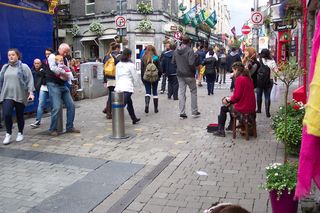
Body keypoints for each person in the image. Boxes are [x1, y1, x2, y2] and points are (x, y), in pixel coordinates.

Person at [0, 49, 34, 144]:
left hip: (20, 94)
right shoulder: (5, 67)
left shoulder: (23, 67)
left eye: (13, 55)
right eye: (9, 55)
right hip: (7, 95)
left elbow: (29, 80)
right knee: (6, 114)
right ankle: (8, 134)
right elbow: (1, 80)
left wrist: (31, 93)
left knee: (19, 115)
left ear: (18, 56)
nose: (11, 57)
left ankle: (20, 132)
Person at [213, 62, 256, 137]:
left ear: (237, 70)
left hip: (244, 107)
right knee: (230, 105)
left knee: (223, 108)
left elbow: (236, 96)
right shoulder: (249, 78)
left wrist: (227, 99)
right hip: (251, 106)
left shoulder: (240, 79)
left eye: (233, 70)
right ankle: (230, 126)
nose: (233, 72)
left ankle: (221, 130)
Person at [47, 43, 80, 135]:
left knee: (71, 105)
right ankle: (52, 129)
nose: (66, 54)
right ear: (60, 49)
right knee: (57, 107)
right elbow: (53, 68)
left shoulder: (65, 58)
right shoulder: (52, 56)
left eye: (67, 52)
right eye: (65, 52)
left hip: (62, 84)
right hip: (53, 83)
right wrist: (64, 74)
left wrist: (68, 76)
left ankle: (69, 127)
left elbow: (68, 69)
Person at [172, 36, 200, 119]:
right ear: (189, 42)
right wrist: (193, 72)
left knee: (181, 93)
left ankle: (182, 112)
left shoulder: (176, 50)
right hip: (189, 74)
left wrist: (178, 68)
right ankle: (194, 111)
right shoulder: (189, 50)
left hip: (180, 74)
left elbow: (173, 62)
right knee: (193, 91)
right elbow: (191, 63)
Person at [114, 48, 140, 124]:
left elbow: (117, 76)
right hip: (127, 87)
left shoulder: (118, 64)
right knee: (122, 104)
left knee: (129, 103)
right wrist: (139, 86)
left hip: (119, 86)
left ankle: (134, 118)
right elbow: (135, 76)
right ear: (129, 55)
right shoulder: (131, 65)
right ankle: (117, 121)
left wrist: (117, 84)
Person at [30, 48, 53, 128]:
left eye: (49, 54)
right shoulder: (44, 63)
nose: (47, 55)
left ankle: (54, 121)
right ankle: (38, 121)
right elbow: (41, 73)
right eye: (46, 54)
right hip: (44, 86)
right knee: (41, 104)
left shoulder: (53, 62)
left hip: (51, 86)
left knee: (53, 104)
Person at [256, 49, 278, 117]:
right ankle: (267, 112)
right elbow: (276, 72)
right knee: (267, 96)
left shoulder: (258, 60)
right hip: (269, 81)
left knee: (259, 95)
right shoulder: (272, 62)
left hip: (259, 81)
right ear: (268, 54)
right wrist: (275, 79)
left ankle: (259, 109)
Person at [102, 42, 121, 119]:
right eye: (119, 48)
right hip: (115, 78)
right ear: (117, 48)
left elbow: (104, 69)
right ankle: (109, 113)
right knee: (113, 96)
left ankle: (107, 109)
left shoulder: (107, 56)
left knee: (110, 94)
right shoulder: (118, 56)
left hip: (108, 78)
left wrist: (105, 80)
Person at [141, 45, 161, 113]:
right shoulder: (156, 58)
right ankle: (156, 109)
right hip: (155, 77)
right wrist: (159, 76)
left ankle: (147, 105)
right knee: (155, 92)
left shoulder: (143, 58)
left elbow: (142, 69)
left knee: (148, 92)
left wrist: (142, 78)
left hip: (146, 77)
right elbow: (160, 69)